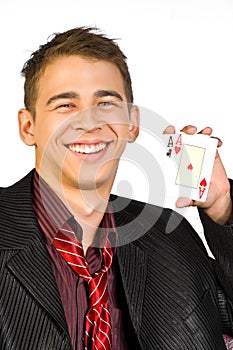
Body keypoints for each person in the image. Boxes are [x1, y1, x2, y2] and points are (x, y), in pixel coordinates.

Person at [0, 26, 233, 350]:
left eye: (106, 103)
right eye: (65, 105)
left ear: (133, 123)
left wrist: (223, 208)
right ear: (28, 127)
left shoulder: (169, 235)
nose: (89, 122)